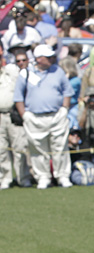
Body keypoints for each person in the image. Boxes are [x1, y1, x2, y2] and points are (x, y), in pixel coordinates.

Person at [13, 43, 74, 188]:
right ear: (39, 59)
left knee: (60, 147)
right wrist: (24, 115)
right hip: (34, 117)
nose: (51, 59)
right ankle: (43, 177)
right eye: (48, 57)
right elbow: (18, 97)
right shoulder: (26, 73)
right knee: (38, 149)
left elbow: (67, 91)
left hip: (56, 115)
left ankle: (62, 176)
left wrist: (64, 109)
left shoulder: (57, 71)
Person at [0, 45, 32, 189]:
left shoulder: (11, 71)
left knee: (19, 147)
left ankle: (23, 177)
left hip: (12, 115)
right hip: (0, 116)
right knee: (2, 150)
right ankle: (5, 178)